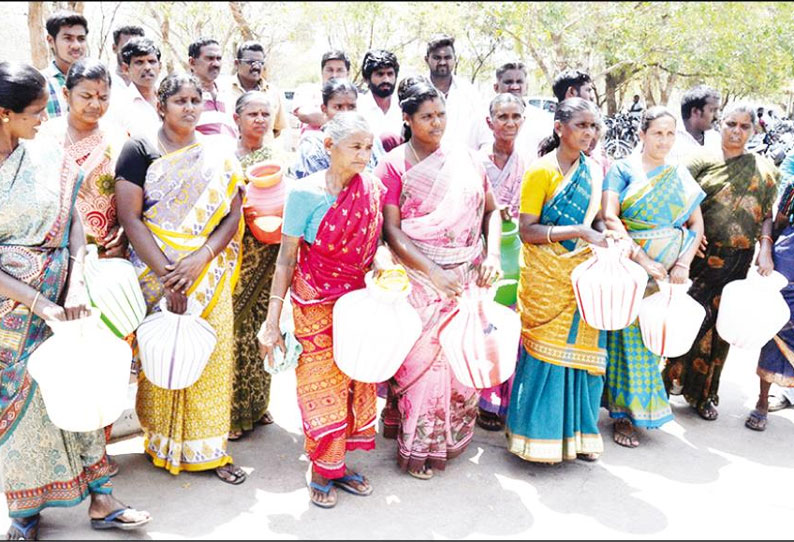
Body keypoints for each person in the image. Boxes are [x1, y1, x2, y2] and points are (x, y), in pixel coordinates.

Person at [0, 61, 150, 540]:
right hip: (11, 314)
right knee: (22, 406)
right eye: (37, 112)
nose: (46, 119)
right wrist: (37, 302)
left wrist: (78, 276)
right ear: (5, 114)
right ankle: (24, 512)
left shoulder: (45, 156)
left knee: (80, 388)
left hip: (70, 300)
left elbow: (73, 221)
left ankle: (101, 498)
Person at [115, 73, 247, 485]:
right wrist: (170, 277)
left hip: (207, 271)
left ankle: (210, 451)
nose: (190, 108)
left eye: (196, 100)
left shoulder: (218, 153)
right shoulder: (139, 149)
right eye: (180, 101)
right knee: (164, 354)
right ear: (162, 106)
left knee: (210, 356)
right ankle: (160, 442)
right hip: (157, 271)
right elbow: (129, 218)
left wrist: (201, 258)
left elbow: (232, 214)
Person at [258, 112, 386, 508]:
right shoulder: (304, 193)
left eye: (368, 147)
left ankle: (340, 462)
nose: (364, 155)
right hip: (314, 300)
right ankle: (322, 467)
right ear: (329, 147)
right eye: (356, 147)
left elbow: (374, 247)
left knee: (355, 377)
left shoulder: (372, 189)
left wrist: (387, 271)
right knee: (320, 385)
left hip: (359, 301)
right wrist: (272, 320)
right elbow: (285, 258)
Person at [379, 79, 502, 479]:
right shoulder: (394, 164)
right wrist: (432, 273)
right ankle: (418, 446)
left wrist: (494, 254)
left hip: (467, 275)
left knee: (460, 362)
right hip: (420, 278)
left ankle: (451, 437)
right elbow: (391, 231)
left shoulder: (468, 158)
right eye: (427, 117)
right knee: (423, 366)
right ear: (408, 119)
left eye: (441, 115)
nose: (436, 123)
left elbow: (492, 211)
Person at [505, 98, 611, 464]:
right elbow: (527, 230)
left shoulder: (594, 171)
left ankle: (580, 437)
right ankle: (535, 438)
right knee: (545, 357)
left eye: (593, 126)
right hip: (546, 277)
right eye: (581, 125)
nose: (589, 133)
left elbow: (597, 220)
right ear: (559, 128)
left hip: (581, 275)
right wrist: (580, 230)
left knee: (583, 358)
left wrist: (603, 235)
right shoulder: (540, 171)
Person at [662, 103, 780, 421]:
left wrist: (765, 248)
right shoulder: (700, 161)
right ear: (720, 124)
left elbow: (766, 215)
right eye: (730, 124)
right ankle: (667, 383)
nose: (736, 131)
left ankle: (704, 395)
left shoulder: (764, 169)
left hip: (737, 261)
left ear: (753, 131)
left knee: (720, 327)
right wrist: (687, 232)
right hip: (699, 256)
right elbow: (676, 201)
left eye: (744, 126)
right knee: (688, 319)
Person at [602, 106, 705, 447]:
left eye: (670, 133)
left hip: (668, 276)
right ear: (642, 135)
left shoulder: (679, 174)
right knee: (625, 340)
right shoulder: (623, 169)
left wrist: (683, 264)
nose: (664, 140)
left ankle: (642, 408)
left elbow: (696, 224)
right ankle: (623, 416)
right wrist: (642, 258)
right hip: (631, 267)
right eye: (657, 133)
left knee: (653, 341)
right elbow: (610, 217)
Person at [229, 91, 282, 440]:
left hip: (269, 255)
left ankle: (259, 405)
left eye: (266, 113)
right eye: (253, 114)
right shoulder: (225, 157)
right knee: (235, 332)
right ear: (237, 118)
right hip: (235, 255)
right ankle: (233, 413)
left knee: (262, 329)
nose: (260, 120)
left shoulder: (277, 158)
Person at [475, 92, 526, 432]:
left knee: (512, 326)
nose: (509, 123)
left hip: (518, 252)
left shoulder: (529, 162)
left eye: (515, 117)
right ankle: (483, 401)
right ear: (489, 122)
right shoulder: (475, 161)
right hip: (483, 250)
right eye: (502, 117)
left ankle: (507, 399)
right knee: (484, 326)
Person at [745, 151, 794, 430]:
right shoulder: (793, 185)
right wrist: (767, 250)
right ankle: (762, 401)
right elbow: (780, 222)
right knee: (774, 328)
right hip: (790, 261)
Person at [292, 78, 383, 179]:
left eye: (351, 107)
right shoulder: (313, 145)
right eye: (338, 107)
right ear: (324, 109)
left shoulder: (370, 141)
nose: (345, 113)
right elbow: (321, 189)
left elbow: (381, 178)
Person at [424, 34, 490, 150]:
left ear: (455, 59)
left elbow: (482, 130)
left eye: (447, 57)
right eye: (437, 58)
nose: (442, 62)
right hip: (423, 160)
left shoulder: (469, 92)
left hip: (463, 161)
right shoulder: (418, 89)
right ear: (426, 59)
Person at [226, 41, 288, 142]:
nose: (256, 67)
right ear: (237, 63)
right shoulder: (223, 89)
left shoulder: (273, 92)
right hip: (231, 154)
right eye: (250, 62)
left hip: (265, 153)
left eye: (260, 63)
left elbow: (277, 130)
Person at [109, 37, 161, 138]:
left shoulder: (173, 97)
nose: (147, 67)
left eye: (152, 61)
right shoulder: (118, 106)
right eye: (139, 62)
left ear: (160, 66)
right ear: (126, 69)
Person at [41, 10, 88, 119]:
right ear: (51, 41)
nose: (76, 46)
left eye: (81, 39)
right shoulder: (39, 84)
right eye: (68, 38)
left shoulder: (99, 82)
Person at [188, 37, 237, 140]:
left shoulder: (227, 91)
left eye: (218, 58)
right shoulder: (183, 95)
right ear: (192, 62)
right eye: (210, 58)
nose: (216, 64)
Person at [292, 50, 351, 132]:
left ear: (347, 74)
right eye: (329, 70)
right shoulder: (307, 90)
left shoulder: (355, 97)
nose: (334, 75)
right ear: (322, 72)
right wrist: (347, 121)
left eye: (339, 70)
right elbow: (306, 115)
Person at [358, 49, 403, 150]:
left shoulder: (404, 107)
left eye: (390, 74)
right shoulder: (358, 108)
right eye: (380, 74)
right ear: (366, 79)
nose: (386, 80)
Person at [669, 85, 722, 162]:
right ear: (695, 111)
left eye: (718, 110)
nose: (717, 116)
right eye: (713, 110)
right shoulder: (669, 139)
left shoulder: (715, 138)